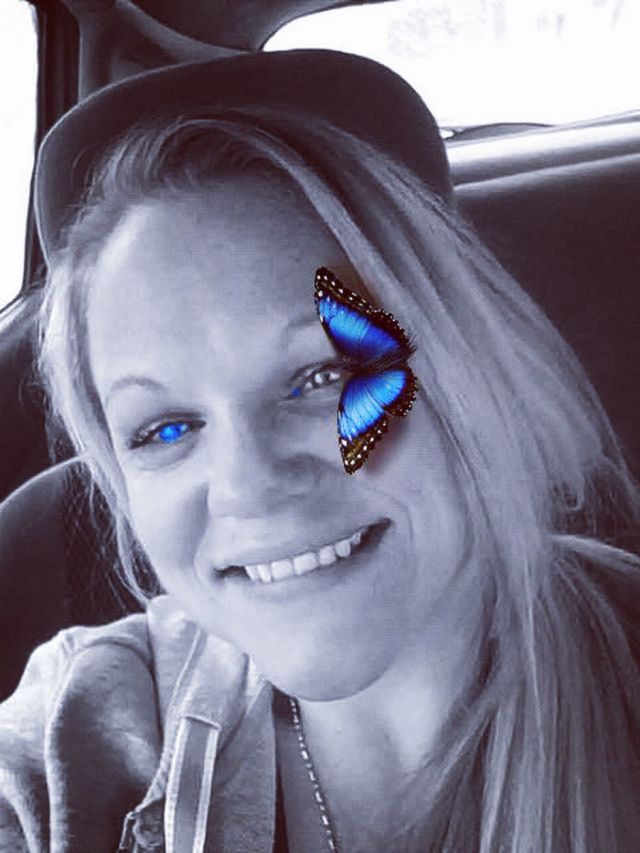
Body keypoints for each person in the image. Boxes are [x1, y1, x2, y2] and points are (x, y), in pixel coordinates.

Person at [1, 49, 640, 853]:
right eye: (165, 428)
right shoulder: (75, 734)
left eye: (323, 374)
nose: (249, 485)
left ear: (469, 370)